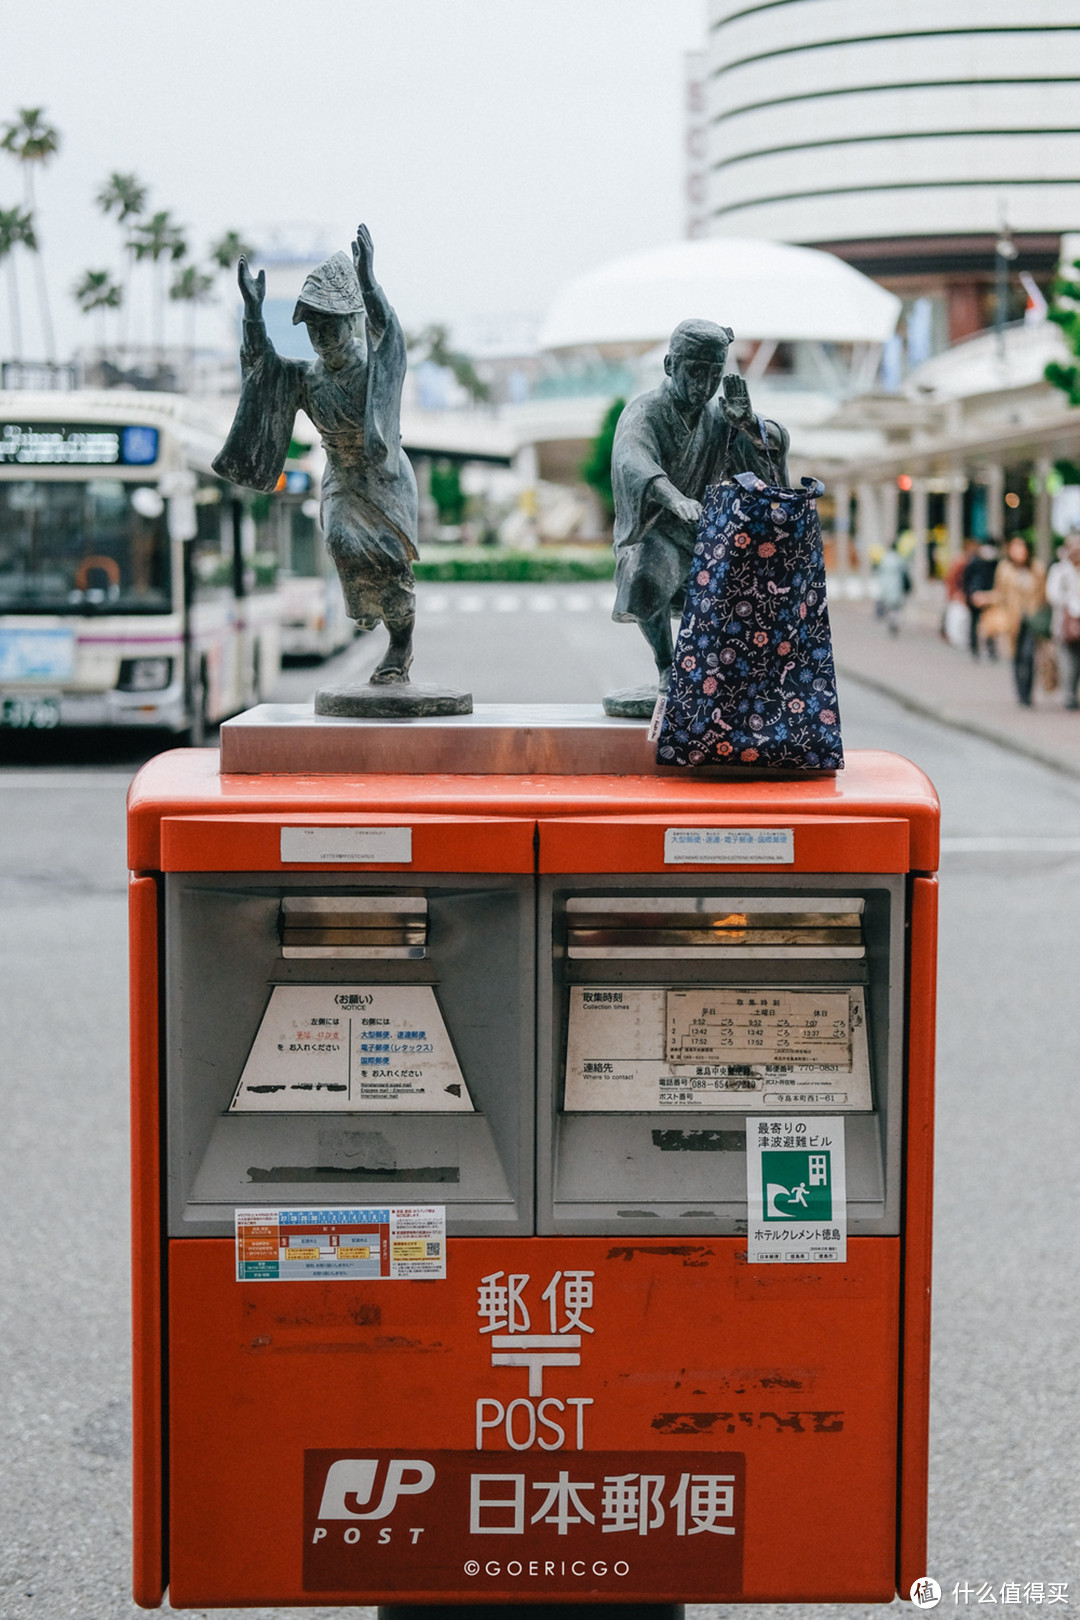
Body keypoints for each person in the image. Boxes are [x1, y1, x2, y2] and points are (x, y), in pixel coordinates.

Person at [214, 225, 418, 684]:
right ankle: (368, 610)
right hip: (342, 479)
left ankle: (400, 645)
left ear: (352, 323)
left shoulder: (373, 367)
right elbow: (261, 369)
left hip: (385, 478)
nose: (320, 336)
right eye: (312, 327)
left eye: (329, 325)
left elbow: (391, 342)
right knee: (342, 540)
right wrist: (252, 313)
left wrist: (369, 284)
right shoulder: (307, 378)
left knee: (392, 563)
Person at [607, 318, 789, 709]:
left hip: (707, 535)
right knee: (646, 570)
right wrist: (673, 498)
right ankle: (666, 665)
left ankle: (732, 674)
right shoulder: (644, 412)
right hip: (657, 531)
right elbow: (632, 460)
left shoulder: (720, 417)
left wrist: (750, 427)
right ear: (670, 365)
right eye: (694, 371)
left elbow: (769, 458)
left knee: (758, 579)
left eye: (713, 373)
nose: (704, 385)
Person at [987, 536, 1047, 706]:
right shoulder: (1004, 569)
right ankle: (1020, 692)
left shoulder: (1037, 568)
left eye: (1022, 548)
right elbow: (999, 592)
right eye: (1015, 548)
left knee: (1029, 656)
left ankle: (1028, 693)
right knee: (1016, 655)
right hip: (1013, 618)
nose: (1019, 552)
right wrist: (986, 598)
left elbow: (1044, 595)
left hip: (1032, 618)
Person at [1046, 530, 1080, 710]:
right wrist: (1071, 598)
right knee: (1068, 662)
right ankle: (1069, 695)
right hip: (1065, 625)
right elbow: (1052, 595)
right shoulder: (1060, 570)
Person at [961, 540, 1001, 660]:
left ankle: (991, 649)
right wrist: (970, 595)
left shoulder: (996, 564)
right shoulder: (974, 562)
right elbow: (966, 580)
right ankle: (974, 648)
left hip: (990, 598)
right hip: (975, 597)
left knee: (990, 624)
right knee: (974, 624)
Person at [875, 539, 910, 636]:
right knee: (897, 607)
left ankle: (891, 620)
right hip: (897, 587)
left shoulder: (884, 559)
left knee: (890, 607)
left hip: (886, 588)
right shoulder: (899, 559)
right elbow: (905, 573)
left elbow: (879, 574)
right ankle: (895, 621)